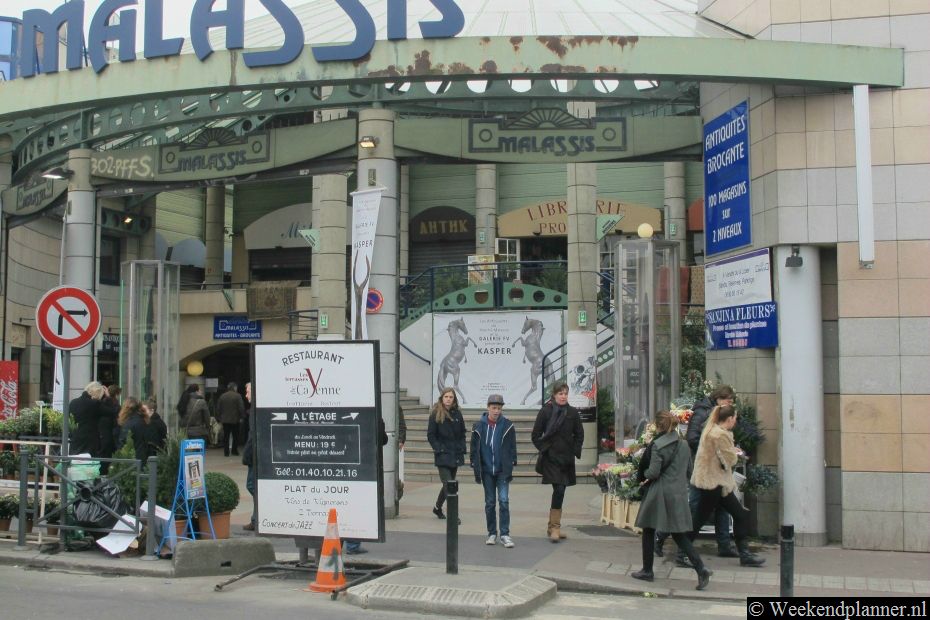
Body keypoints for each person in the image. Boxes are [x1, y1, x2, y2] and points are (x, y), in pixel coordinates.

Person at [631, 411, 712, 590]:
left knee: (649, 529)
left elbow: (653, 472)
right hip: (678, 493)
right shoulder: (684, 445)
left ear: (659, 426)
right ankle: (700, 568)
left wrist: (643, 476)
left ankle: (647, 570)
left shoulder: (658, 445)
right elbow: (689, 470)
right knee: (678, 534)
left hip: (659, 493)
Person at [659, 384, 738, 563]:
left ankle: (724, 545)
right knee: (694, 507)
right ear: (719, 398)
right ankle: (664, 537)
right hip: (701, 469)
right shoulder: (703, 412)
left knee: (721, 508)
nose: (729, 403)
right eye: (728, 400)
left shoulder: (717, 413)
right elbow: (693, 438)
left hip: (715, 471)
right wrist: (713, 449)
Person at [690, 404, 765, 568]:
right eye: (735, 418)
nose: (735, 422)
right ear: (730, 419)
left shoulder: (712, 430)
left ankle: (744, 555)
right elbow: (729, 460)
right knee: (699, 520)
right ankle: (683, 552)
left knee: (736, 515)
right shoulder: (721, 435)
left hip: (713, 482)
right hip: (715, 483)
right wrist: (737, 454)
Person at [531, 381, 583, 542]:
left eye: (566, 393)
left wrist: (574, 451)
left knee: (561, 490)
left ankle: (552, 526)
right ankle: (555, 527)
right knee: (559, 489)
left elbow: (579, 434)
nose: (563, 396)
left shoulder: (572, 412)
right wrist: (545, 449)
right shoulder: (546, 411)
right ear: (554, 395)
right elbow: (535, 435)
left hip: (566, 459)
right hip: (551, 458)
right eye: (560, 393)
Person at [471, 394, 517, 548]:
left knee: (504, 501)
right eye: (494, 408)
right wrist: (474, 464)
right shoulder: (479, 426)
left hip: (502, 470)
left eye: (499, 408)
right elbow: (474, 448)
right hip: (486, 470)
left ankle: (505, 534)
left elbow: (512, 447)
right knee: (490, 502)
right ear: (488, 408)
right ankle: (492, 533)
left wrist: (512, 462)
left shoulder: (507, 425)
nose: (496, 411)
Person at [345, 415, 389, 555]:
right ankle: (352, 544)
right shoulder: (372, 414)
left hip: (345, 463)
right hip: (364, 466)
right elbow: (383, 439)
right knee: (355, 506)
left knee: (343, 505)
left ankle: (341, 542)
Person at [427, 387, 466, 521]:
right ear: (442, 398)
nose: (448, 399)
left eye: (451, 397)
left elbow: (462, 433)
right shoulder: (435, 414)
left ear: (454, 399)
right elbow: (431, 435)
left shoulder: (457, 414)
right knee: (450, 485)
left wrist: (462, 447)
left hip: (455, 454)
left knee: (448, 484)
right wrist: (439, 449)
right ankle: (454, 515)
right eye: (446, 397)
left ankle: (437, 508)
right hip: (443, 456)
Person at [70, 381, 108, 456]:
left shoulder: (73, 402)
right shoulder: (95, 404)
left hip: (75, 439)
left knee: (75, 464)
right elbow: (113, 411)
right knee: (89, 465)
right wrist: (109, 397)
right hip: (90, 442)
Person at [116, 397, 152, 464]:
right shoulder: (143, 420)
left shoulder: (129, 423)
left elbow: (123, 443)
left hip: (132, 459)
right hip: (142, 457)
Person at [242, 382, 257, 532]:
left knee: (252, 485)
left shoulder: (255, 410)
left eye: (247, 392)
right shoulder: (253, 409)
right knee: (254, 486)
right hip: (255, 454)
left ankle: (258, 518)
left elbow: (253, 436)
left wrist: (247, 454)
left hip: (255, 455)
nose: (246, 395)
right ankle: (256, 518)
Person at [216, 382, 245, 456]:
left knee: (226, 436)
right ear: (235, 388)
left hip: (225, 420)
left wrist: (219, 417)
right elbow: (241, 407)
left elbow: (218, 408)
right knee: (235, 436)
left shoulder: (222, 396)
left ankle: (226, 452)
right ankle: (234, 450)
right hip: (235, 420)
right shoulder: (238, 396)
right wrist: (242, 417)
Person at [97, 385, 121, 473]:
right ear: (117, 394)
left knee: (106, 456)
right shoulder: (110, 403)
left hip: (106, 433)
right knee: (106, 457)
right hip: (107, 433)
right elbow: (115, 411)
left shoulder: (106, 402)